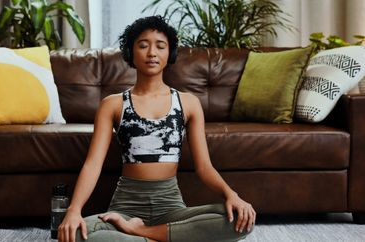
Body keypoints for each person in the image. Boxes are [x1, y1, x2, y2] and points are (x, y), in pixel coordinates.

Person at [58, 15, 255, 242]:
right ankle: (167, 238)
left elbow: (204, 167)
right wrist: (73, 210)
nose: (152, 52)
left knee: (239, 219)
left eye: (160, 46)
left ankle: (140, 233)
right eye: (143, 45)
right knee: (74, 234)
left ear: (168, 53)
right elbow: (93, 164)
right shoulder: (112, 104)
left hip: (171, 208)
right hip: (124, 207)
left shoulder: (188, 103)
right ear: (132, 53)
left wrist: (232, 195)